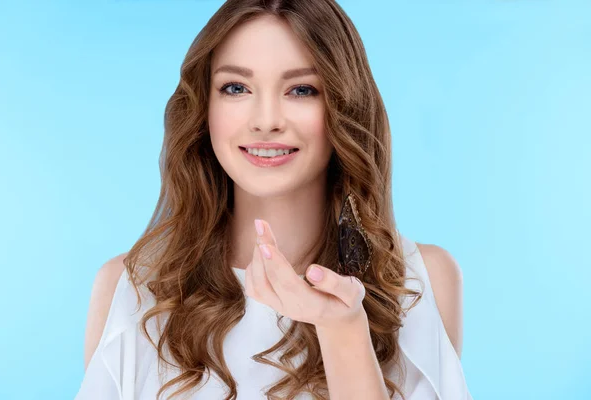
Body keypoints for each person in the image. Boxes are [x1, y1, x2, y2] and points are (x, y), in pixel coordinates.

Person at [75, 0, 472, 399]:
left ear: (344, 105)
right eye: (236, 88)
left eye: (301, 90)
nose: (266, 120)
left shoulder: (421, 283)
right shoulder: (130, 291)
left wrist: (343, 329)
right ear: (204, 108)